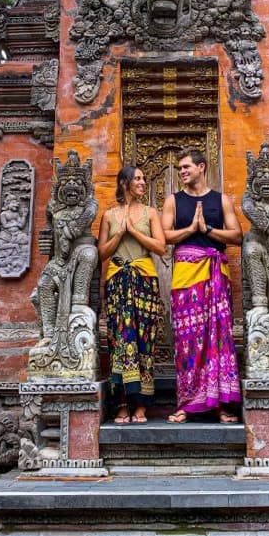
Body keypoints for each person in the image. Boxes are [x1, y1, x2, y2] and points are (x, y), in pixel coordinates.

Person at [161, 148, 243, 424]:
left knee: (218, 340)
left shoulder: (221, 200)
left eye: (186, 167)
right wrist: (191, 229)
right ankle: (186, 403)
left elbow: (237, 236)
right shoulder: (174, 200)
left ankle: (219, 404)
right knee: (188, 341)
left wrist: (208, 229)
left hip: (215, 274)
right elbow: (164, 236)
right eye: (180, 169)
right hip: (186, 276)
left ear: (201, 167)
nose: (182, 172)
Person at [98, 166, 166, 424]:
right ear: (124, 183)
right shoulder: (109, 215)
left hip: (145, 279)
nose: (142, 182)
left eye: (143, 178)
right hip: (117, 279)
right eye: (137, 178)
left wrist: (134, 231)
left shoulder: (150, 213)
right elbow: (102, 253)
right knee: (119, 340)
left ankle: (142, 405)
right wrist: (120, 233)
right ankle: (123, 403)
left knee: (142, 340)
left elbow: (160, 247)